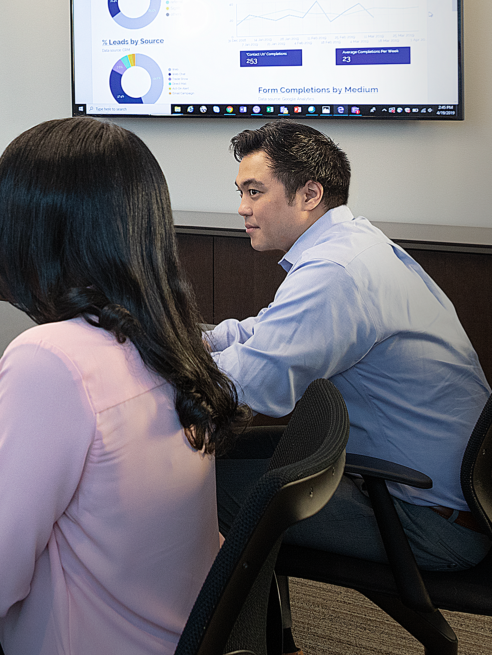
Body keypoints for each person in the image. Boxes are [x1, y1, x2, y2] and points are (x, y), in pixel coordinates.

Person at [0, 117, 246, 655]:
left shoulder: (51, 357)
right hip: (173, 635)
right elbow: (112, 480)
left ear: (34, 231)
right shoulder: (160, 334)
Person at [209, 120, 491, 573]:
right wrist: (194, 340)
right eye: (241, 192)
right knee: (226, 462)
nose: (242, 207)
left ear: (310, 194)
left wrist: (154, 362)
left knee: (194, 492)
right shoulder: (352, 246)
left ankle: (226, 621)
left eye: (254, 192)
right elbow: (265, 332)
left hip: (428, 521)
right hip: (444, 496)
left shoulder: (335, 272)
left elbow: (249, 384)